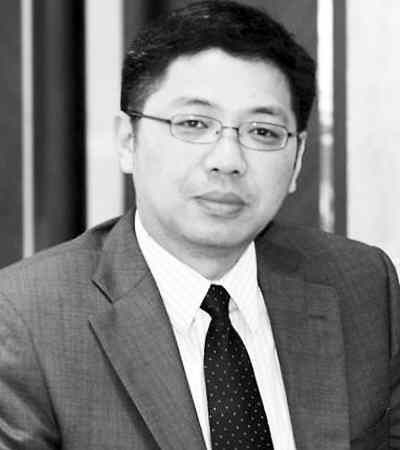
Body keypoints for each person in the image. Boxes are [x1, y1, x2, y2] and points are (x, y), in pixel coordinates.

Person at [0, 1, 399, 449]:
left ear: (298, 159)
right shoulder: (24, 320)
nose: (227, 160)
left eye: (263, 131)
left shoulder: (362, 285)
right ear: (128, 141)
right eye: (193, 123)